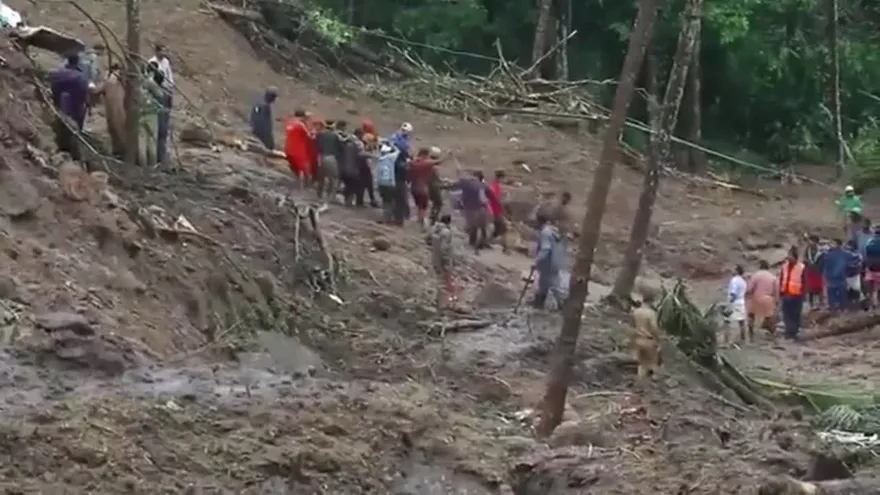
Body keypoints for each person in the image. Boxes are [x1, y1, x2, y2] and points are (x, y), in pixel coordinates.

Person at [49, 53, 90, 161]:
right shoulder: (81, 77)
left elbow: (53, 89)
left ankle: (61, 148)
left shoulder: (57, 74)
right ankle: (75, 157)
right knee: (75, 133)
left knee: (61, 130)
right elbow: (84, 95)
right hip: (75, 109)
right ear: (77, 62)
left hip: (60, 108)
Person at [532, 213, 566, 310]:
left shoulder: (545, 233)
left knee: (550, 285)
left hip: (548, 263)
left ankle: (561, 307)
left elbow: (546, 249)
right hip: (555, 261)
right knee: (547, 285)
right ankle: (539, 306)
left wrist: (536, 261)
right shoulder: (553, 231)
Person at [148, 44, 174, 164]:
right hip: (158, 93)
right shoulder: (152, 63)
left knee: (165, 124)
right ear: (157, 51)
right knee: (160, 126)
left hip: (167, 93)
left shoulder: (166, 62)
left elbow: (170, 78)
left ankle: (163, 153)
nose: (165, 53)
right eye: (163, 50)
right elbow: (152, 81)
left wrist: (170, 90)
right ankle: (159, 156)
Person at [452, 171, 491, 252]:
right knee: (476, 226)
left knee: (479, 226)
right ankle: (476, 243)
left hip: (476, 207)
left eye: (473, 176)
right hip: (474, 208)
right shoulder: (471, 184)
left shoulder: (478, 185)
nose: (472, 177)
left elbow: (486, 196)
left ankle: (479, 243)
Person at [94, 63, 126, 157]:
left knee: (114, 130)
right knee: (122, 130)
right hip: (123, 109)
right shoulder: (123, 81)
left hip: (112, 110)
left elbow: (96, 90)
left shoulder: (108, 81)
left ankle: (118, 152)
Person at [409, 147, 445, 229]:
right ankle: (424, 224)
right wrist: (448, 155)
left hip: (414, 187)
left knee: (419, 206)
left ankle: (419, 221)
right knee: (426, 207)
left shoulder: (414, 162)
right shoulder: (429, 165)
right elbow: (439, 163)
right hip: (424, 188)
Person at [427, 213, 456, 309]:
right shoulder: (446, 232)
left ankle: (438, 300)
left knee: (438, 280)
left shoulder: (434, 230)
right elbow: (444, 248)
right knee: (447, 280)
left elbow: (428, 239)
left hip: (435, 258)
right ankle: (450, 301)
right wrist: (446, 261)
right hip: (444, 260)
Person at [139, 62, 166, 167]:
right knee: (152, 142)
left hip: (139, 114)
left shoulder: (133, 83)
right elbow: (160, 94)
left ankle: (142, 167)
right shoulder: (149, 82)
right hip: (151, 114)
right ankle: (152, 167)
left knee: (141, 143)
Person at [821, 239, 857, 313]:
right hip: (835, 277)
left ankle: (838, 310)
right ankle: (838, 310)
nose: (831, 245)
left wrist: (850, 267)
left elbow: (857, 258)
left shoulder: (842, 254)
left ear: (838, 244)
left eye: (833, 243)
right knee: (836, 295)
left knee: (839, 295)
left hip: (838, 277)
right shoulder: (829, 254)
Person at [779, 247, 806, 340]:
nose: (789, 258)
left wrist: (803, 294)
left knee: (795, 315)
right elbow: (782, 279)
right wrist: (780, 292)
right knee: (786, 314)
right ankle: (788, 331)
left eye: (791, 256)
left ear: (795, 257)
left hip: (796, 295)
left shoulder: (801, 267)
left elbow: (805, 282)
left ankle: (794, 332)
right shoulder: (784, 266)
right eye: (788, 256)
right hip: (785, 294)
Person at [746, 260, 778, 337]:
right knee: (769, 317)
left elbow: (750, 289)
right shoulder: (773, 277)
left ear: (760, 267)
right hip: (768, 299)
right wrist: (776, 301)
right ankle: (772, 332)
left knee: (751, 315)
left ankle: (751, 332)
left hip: (756, 298)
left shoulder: (755, 275)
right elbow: (776, 290)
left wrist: (747, 296)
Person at [314, 120, 342, 204]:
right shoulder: (335, 136)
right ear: (333, 126)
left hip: (321, 157)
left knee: (321, 179)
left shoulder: (319, 135)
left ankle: (319, 196)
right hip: (331, 157)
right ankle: (330, 197)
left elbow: (317, 146)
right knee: (333, 178)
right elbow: (339, 148)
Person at [284, 110, 312, 186]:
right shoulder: (301, 125)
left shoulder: (289, 123)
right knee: (304, 171)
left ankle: (295, 186)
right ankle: (302, 189)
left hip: (288, 150)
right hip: (298, 152)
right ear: (302, 117)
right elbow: (310, 136)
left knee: (295, 171)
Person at [351, 128, 378, 207]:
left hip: (359, 165)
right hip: (362, 166)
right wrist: (372, 155)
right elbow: (361, 154)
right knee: (367, 184)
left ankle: (361, 201)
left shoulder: (356, 142)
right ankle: (371, 201)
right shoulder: (359, 143)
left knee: (363, 185)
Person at [375, 143, 400, 223]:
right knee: (391, 202)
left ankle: (384, 217)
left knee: (385, 201)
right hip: (389, 183)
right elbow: (398, 151)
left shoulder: (379, 160)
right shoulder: (390, 158)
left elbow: (377, 174)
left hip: (381, 184)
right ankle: (387, 219)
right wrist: (392, 145)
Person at [488, 170, 508, 253]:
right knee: (503, 228)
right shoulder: (495, 186)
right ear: (500, 178)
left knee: (498, 229)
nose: (504, 180)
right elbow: (497, 199)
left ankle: (488, 241)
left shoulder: (494, 185)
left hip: (495, 210)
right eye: (503, 178)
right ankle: (505, 248)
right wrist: (504, 198)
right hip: (496, 211)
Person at [726, 265, 748, 343]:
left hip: (735, 302)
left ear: (737, 271)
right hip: (742, 302)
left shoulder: (734, 280)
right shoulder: (743, 281)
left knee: (728, 321)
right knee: (741, 322)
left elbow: (733, 293)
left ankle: (728, 340)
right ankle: (743, 339)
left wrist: (729, 304)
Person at [803, 235, 824, 309]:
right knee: (810, 288)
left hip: (817, 271)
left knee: (819, 287)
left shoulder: (820, 250)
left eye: (811, 241)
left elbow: (822, 261)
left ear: (815, 242)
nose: (809, 242)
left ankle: (821, 303)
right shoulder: (807, 249)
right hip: (809, 270)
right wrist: (807, 262)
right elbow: (805, 258)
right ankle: (811, 304)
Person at [864, 226, 880, 305]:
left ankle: (872, 304)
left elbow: (867, 254)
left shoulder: (870, 241)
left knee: (871, 287)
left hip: (871, 267)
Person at [844, 240, 863, 305]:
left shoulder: (857, 254)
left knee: (856, 289)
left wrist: (852, 266)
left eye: (850, 245)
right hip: (847, 274)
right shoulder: (846, 253)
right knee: (848, 289)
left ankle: (860, 303)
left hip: (854, 274)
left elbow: (859, 264)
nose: (848, 247)